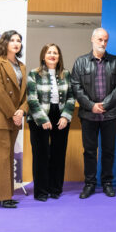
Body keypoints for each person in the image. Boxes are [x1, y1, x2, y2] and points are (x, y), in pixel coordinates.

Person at [71, 28, 116, 199]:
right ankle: (89, 184)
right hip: (89, 115)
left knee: (108, 151)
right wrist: (91, 106)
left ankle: (107, 183)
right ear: (92, 39)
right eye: (100, 39)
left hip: (110, 115)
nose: (103, 43)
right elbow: (76, 86)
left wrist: (106, 104)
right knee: (89, 151)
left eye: (105, 40)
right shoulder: (80, 62)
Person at [0, 30, 28, 208]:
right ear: (5, 43)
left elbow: (25, 93)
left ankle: (4, 193)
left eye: (19, 41)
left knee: (8, 154)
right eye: (12, 40)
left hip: (15, 115)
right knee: (3, 153)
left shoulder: (21, 66)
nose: (16, 43)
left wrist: (22, 111)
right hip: (0, 114)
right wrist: (13, 113)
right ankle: (3, 196)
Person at [26, 43, 75, 201]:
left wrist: (65, 116)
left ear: (59, 56)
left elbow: (71, 97)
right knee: (41, 154)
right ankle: (41, 191)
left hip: (60, 116)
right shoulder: (34, 74)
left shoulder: (66, 74)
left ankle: (55, 189)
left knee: (58, 153)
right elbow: (31, 99)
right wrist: (42, 119)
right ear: (43, 56)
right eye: (49, 52)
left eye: (55, 53)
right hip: (39, 117)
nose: (52, 55)